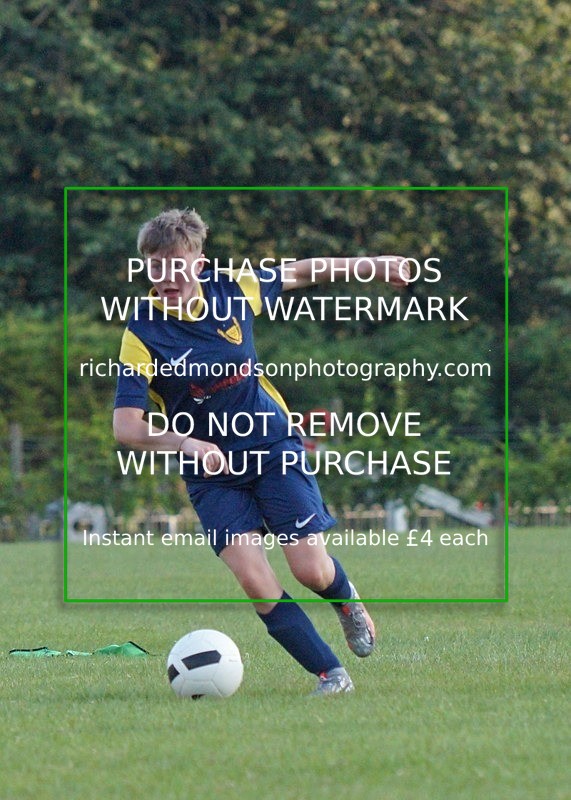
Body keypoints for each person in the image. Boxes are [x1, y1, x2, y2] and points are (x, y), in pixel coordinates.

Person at [113, 208, 409, 695]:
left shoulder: (233, 288)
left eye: (177, 264)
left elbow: (301, 271)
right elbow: (126, 427)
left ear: (199, 263)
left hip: (272, 445)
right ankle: (330, 674)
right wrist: (186, 442)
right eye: (155, 265)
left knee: (310, 569)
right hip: (210, 470)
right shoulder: (141, 332)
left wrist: (374, 265)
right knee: (254, 578)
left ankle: (345, 598)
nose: (166, 276)